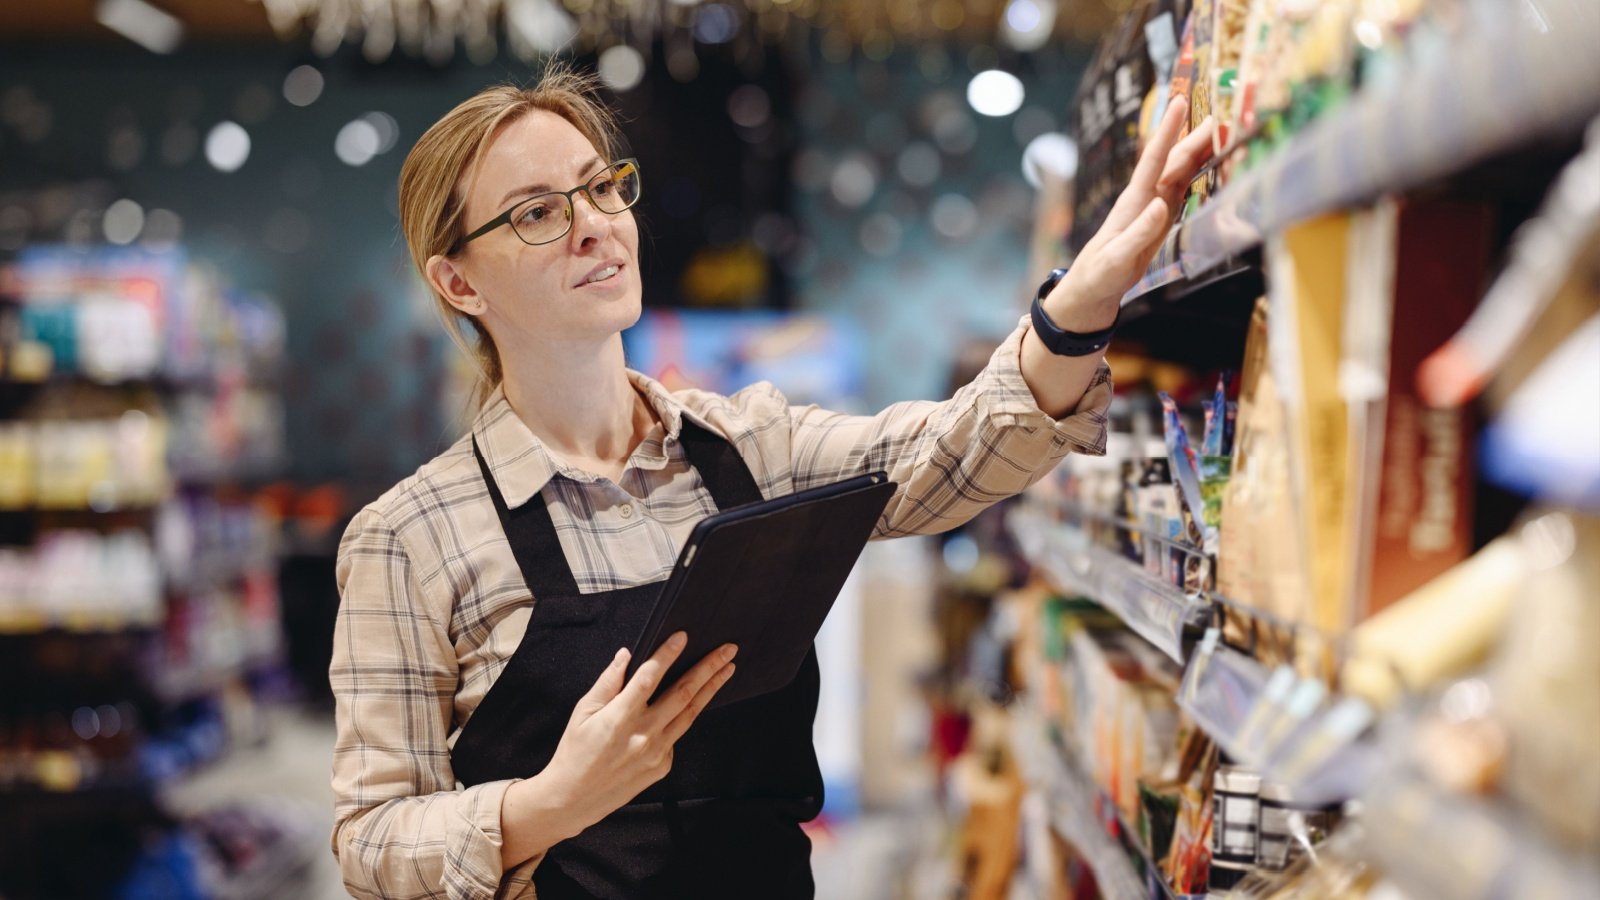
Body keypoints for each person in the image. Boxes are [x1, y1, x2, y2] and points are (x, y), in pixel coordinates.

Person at [330, 64, 1214, 899]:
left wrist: (1079, 307)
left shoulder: (747, 446)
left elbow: (952, 455)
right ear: (457, 281)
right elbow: (371, 843)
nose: (593, 224)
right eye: (535, 214)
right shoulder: (409, 537)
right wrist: (555, 800)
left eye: (600, 188)